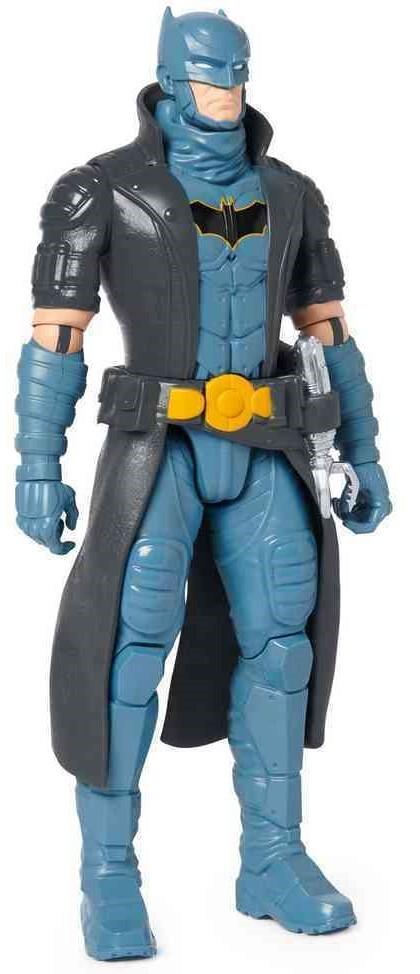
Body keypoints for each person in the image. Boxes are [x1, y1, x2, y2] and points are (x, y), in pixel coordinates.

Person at [15, 7, 391, 961]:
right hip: (161, 448)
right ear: (171, 79)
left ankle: (272, 859)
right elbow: (56, 337)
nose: (226, 92)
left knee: (283, 646)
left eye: (237, 74)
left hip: (266, 446)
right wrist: (37, 464)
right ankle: (109, 874)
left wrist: (365, 449)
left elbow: (329, 333)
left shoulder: (291, 193)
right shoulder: (99, 188)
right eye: (209, 75)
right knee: (128, 649)